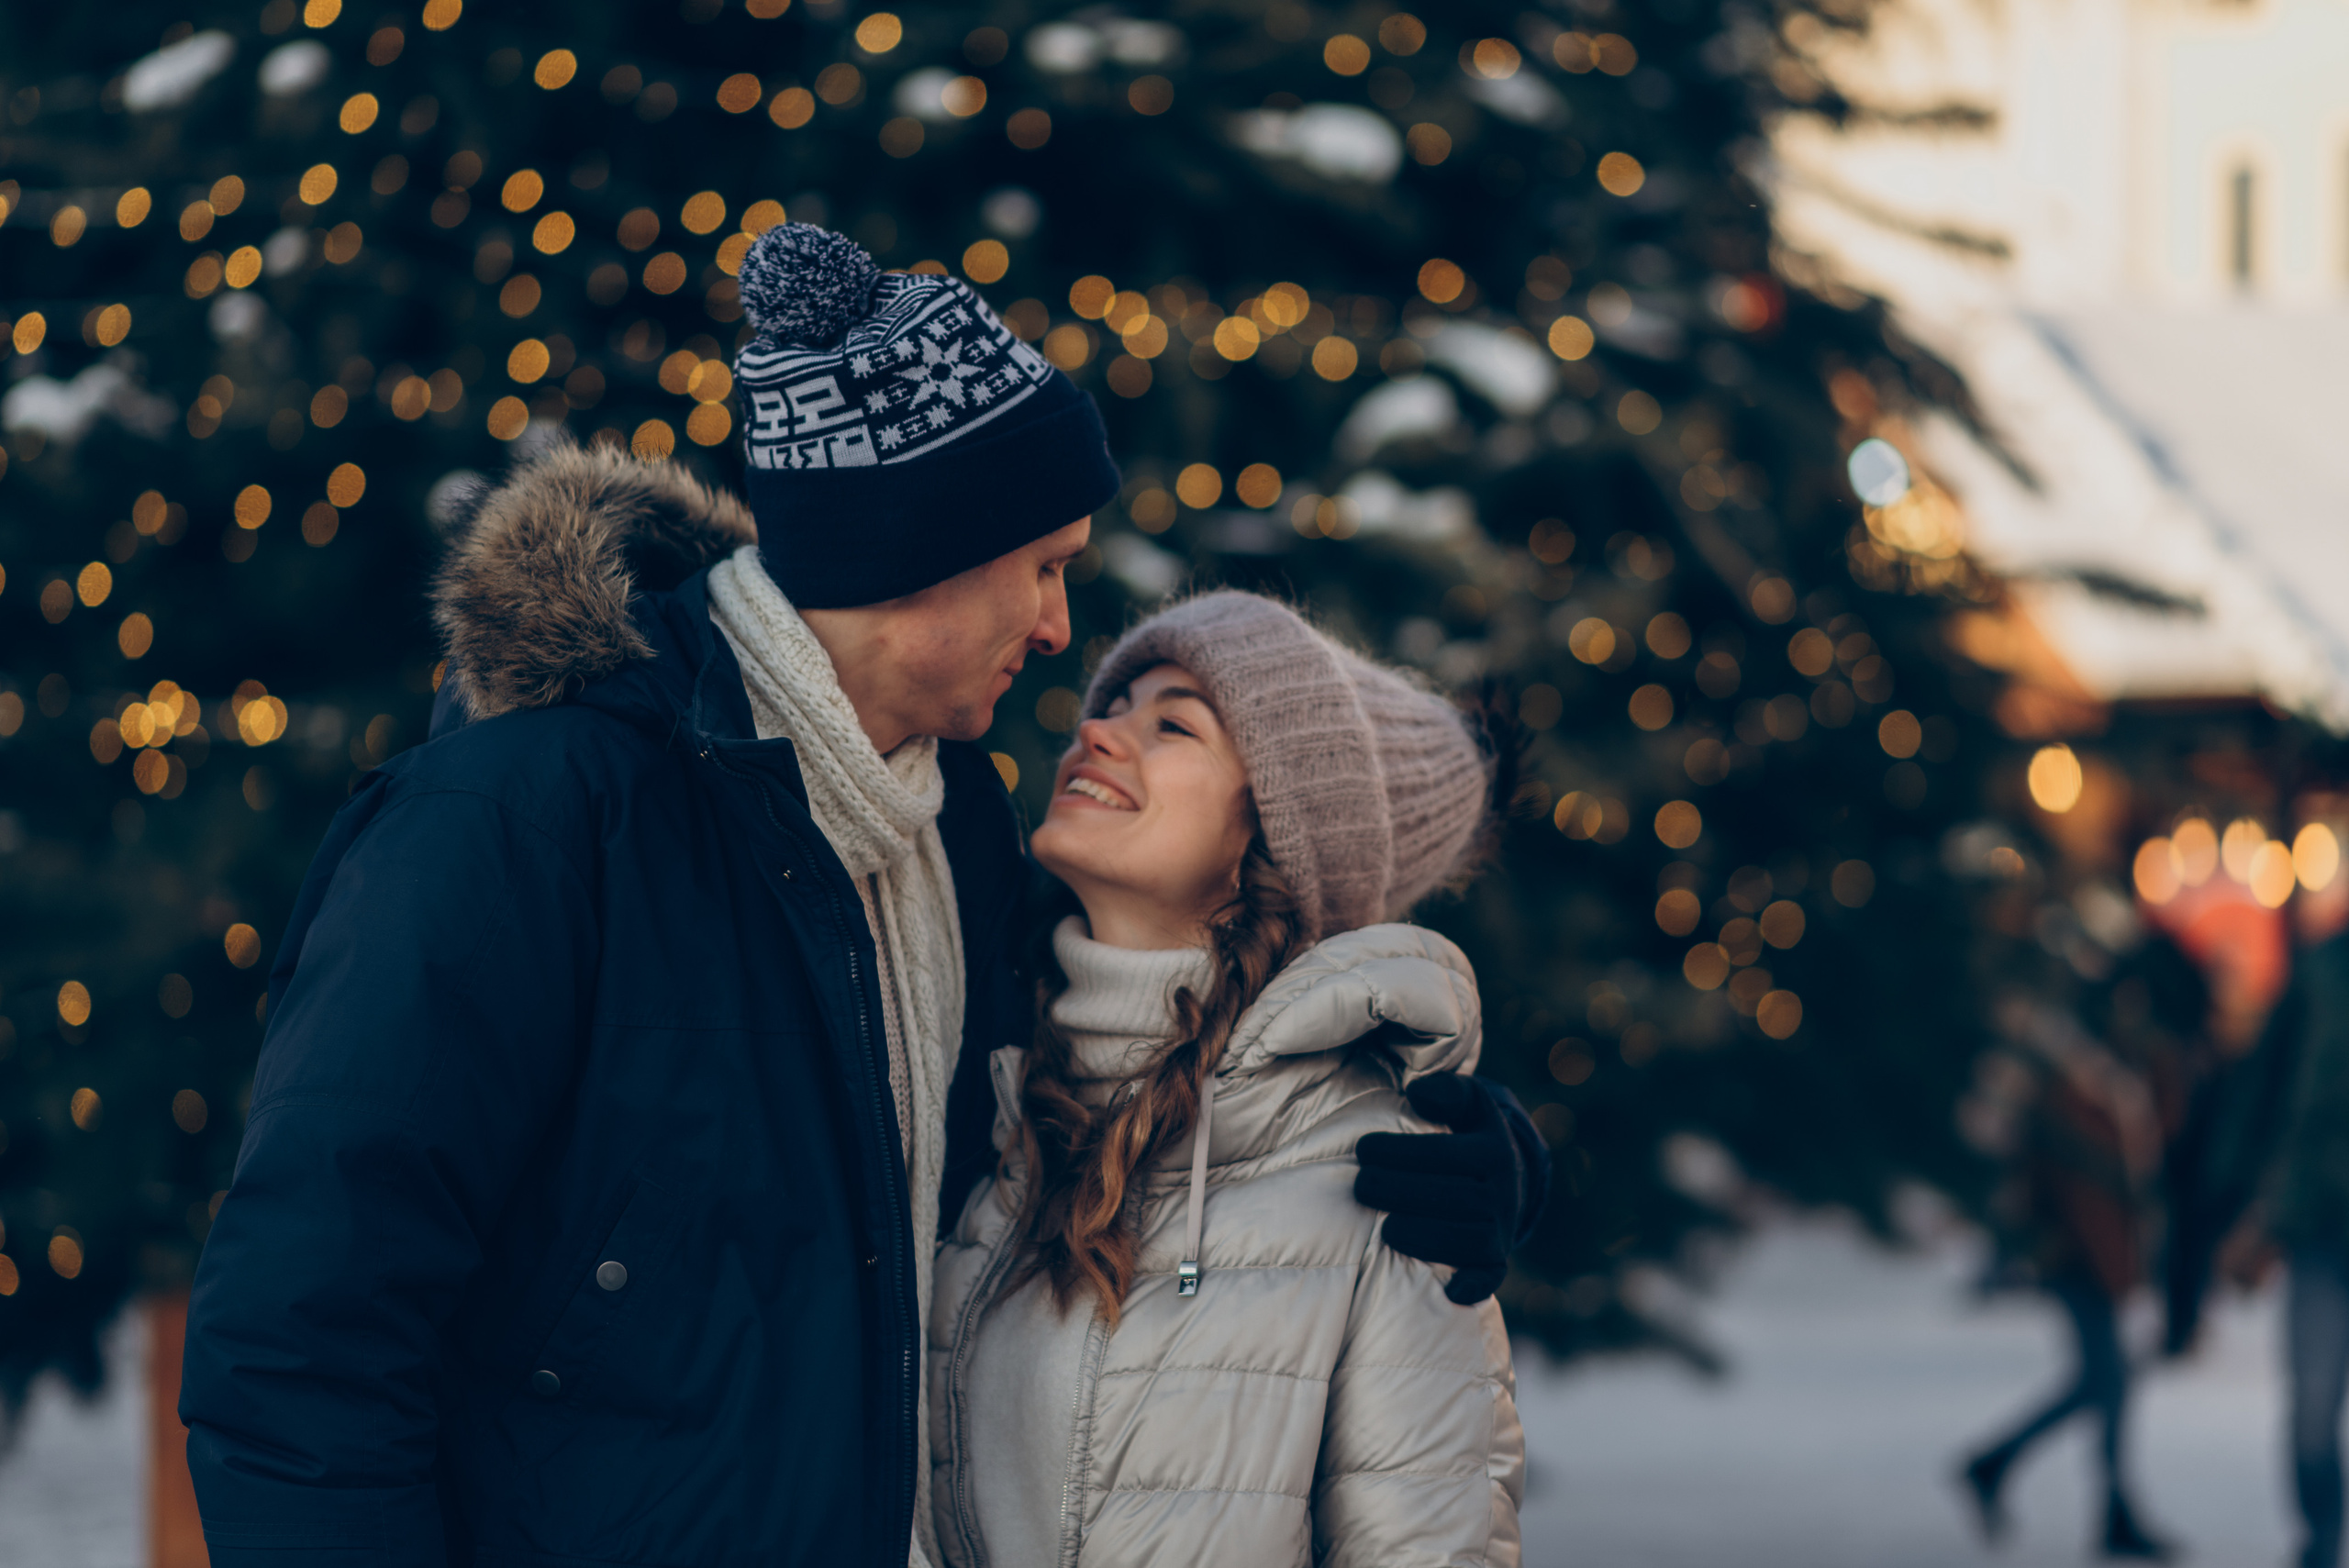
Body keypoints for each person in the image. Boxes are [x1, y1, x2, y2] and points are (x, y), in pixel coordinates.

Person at [178, 228, 1542, 1568]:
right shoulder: (523, 821)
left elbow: (1165, 1059)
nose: (1064, 630)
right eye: (1047, 565)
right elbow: (303, 1338)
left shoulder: (959, 836)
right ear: (923, 551)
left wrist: (1462, 1147)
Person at [927, 592, 1524, 1567]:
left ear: (1272, 835)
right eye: (1113, 704)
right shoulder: (985, 1104)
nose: (1099, 730)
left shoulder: (1384, 1179)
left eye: (1172, 724)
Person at [1960, 991, 2175, 1560]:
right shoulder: (2063, 1096)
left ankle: (2108, 1508)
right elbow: (2080, 1189)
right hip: (2078, 1260)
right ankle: (1996, 1463)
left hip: (2094, 1256)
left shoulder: (2093, 1090)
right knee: (2106, 1381)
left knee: (2110, 1383)